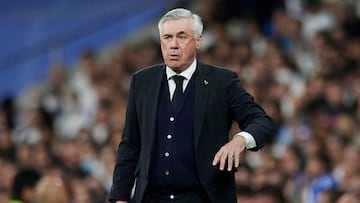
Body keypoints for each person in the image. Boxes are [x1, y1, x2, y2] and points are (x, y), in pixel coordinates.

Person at [109, 8, 275, 203]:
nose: (173, 45)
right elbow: (130, 145)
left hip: (203, 197)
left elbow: (262, 122)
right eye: (167, 38)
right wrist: (119, 197)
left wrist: (239, 140)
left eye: (182, 37)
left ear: (198, 40)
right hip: (151, 198)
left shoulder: (222, 81)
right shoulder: (142, 81)